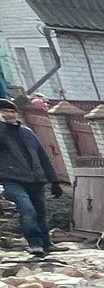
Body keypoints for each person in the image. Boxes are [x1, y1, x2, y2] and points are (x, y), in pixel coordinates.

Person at [0, 99, 60, 258]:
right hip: (12, 179)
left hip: (36, 178)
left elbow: (42, 157)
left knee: (40, 212)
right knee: (27, 210)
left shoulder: (27, 132)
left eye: (12, 111)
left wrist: (54, 181)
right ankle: (34, 244)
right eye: (4, 111)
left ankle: (47, 243)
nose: (9, 114)